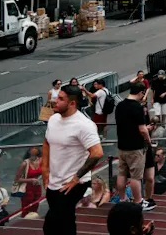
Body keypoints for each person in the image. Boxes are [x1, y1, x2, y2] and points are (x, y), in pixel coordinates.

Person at [42, 84, 104, 235]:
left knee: (52, 224)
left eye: (60, 99)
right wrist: (45, 170)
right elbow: (47, 141)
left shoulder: (84, 125)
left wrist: (76, 178)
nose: (55, 101)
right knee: (66, 220)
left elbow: (96, 153)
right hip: (54, 181)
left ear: (72, 103)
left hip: (74, 184)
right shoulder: (53, 119)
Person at [115, 81, 152, 209]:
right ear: (141, 92)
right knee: (136, 177)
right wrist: (148, 140)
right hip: (135, 146)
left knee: (122, 173)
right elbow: (142, 129)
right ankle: (138, 201)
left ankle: (122, 198)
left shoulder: (119, 105)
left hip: (122, 145)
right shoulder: (137, 107)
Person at [14, 145, 43, 215]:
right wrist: (31, 180)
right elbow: (16, 179)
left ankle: (33, 221)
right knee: (26, 209)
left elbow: (46, 171)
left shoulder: (41, 161)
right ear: (29, 152)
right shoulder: (24, 164)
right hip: (27, 189)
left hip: (37, 187)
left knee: (35, 207)